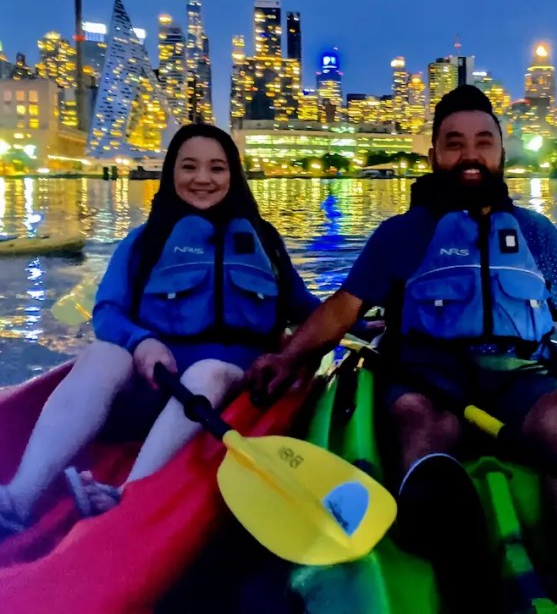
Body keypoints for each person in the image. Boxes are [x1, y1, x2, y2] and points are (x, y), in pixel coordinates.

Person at [248, 86, 557, 612]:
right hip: (431, 376)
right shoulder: (402, 233)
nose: (470, 155)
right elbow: (342, 311)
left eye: (482, 142)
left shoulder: (535, 233)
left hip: (520, 374)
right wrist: (290, 359)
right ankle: (454, 548)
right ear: (433, 157)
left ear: (501, 152)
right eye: (454, 144)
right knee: (417, 416)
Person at [0, 123, 320, 534]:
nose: (202, 178)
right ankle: (19, 498)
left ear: (233, 176)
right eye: (189, 167)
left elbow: (304, 308)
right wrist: (143, 342)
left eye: (217, 168)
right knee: (102, 353)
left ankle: (129, 495)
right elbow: (109, 312)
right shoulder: (144, 241)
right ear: (171, 173)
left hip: (222, 391)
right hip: (153, 386)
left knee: (209, 369)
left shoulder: (265, 242)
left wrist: (360, 316)